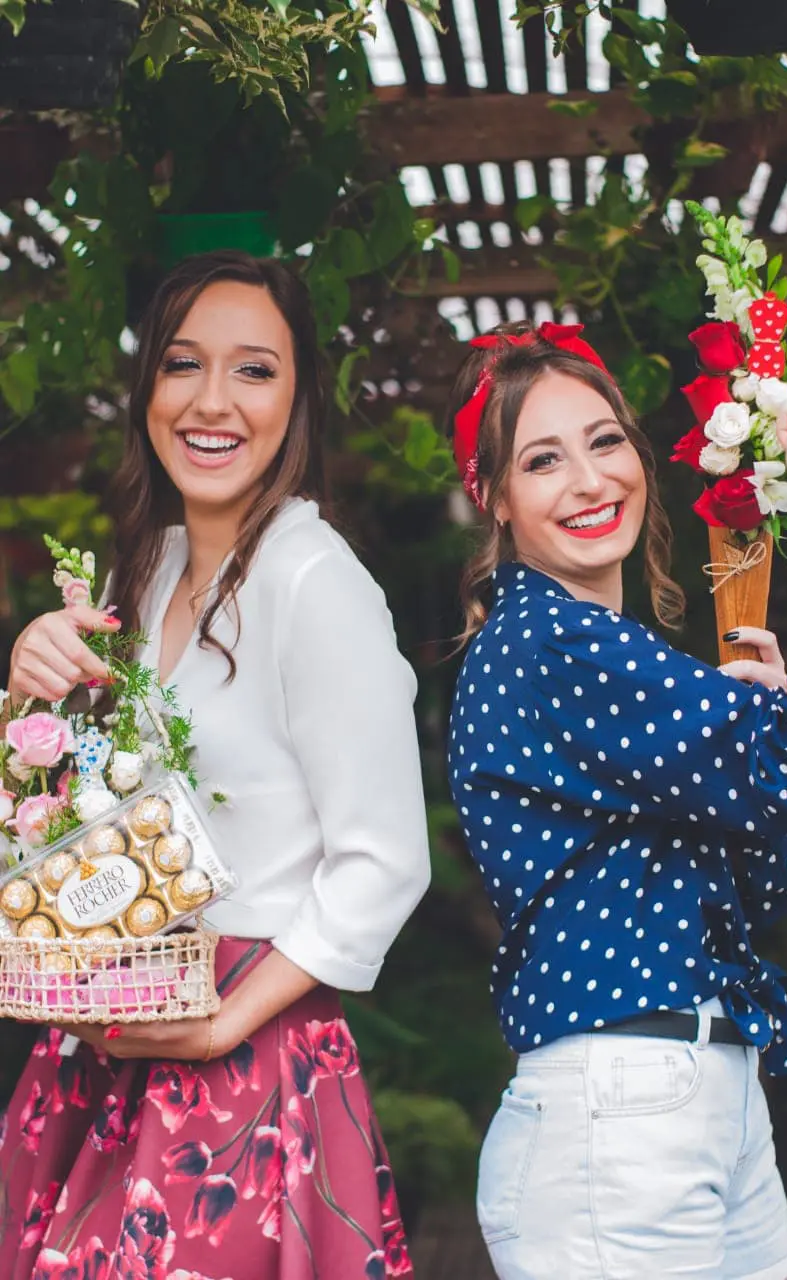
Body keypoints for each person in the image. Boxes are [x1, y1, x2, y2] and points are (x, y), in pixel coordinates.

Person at [0, 250, 431, 1279]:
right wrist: (27, 697)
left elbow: (385, 859)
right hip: (114, 1032)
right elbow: (70, 815)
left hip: (249, 1058)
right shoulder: (138, 573)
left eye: (254, 370)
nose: (212, 401)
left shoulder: (315, 581)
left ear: (300, 400)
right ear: (147, 387)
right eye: (183, 363)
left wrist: (223, 1023)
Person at [446, 321, 787, 1280]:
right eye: (543, 460)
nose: (590, 481)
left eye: (604, 441)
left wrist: (758, 734)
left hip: (695, 1094)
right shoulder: (552, 643)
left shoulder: (610, 655)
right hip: (617, 1117)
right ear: (491, 499)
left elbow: (759, 882)